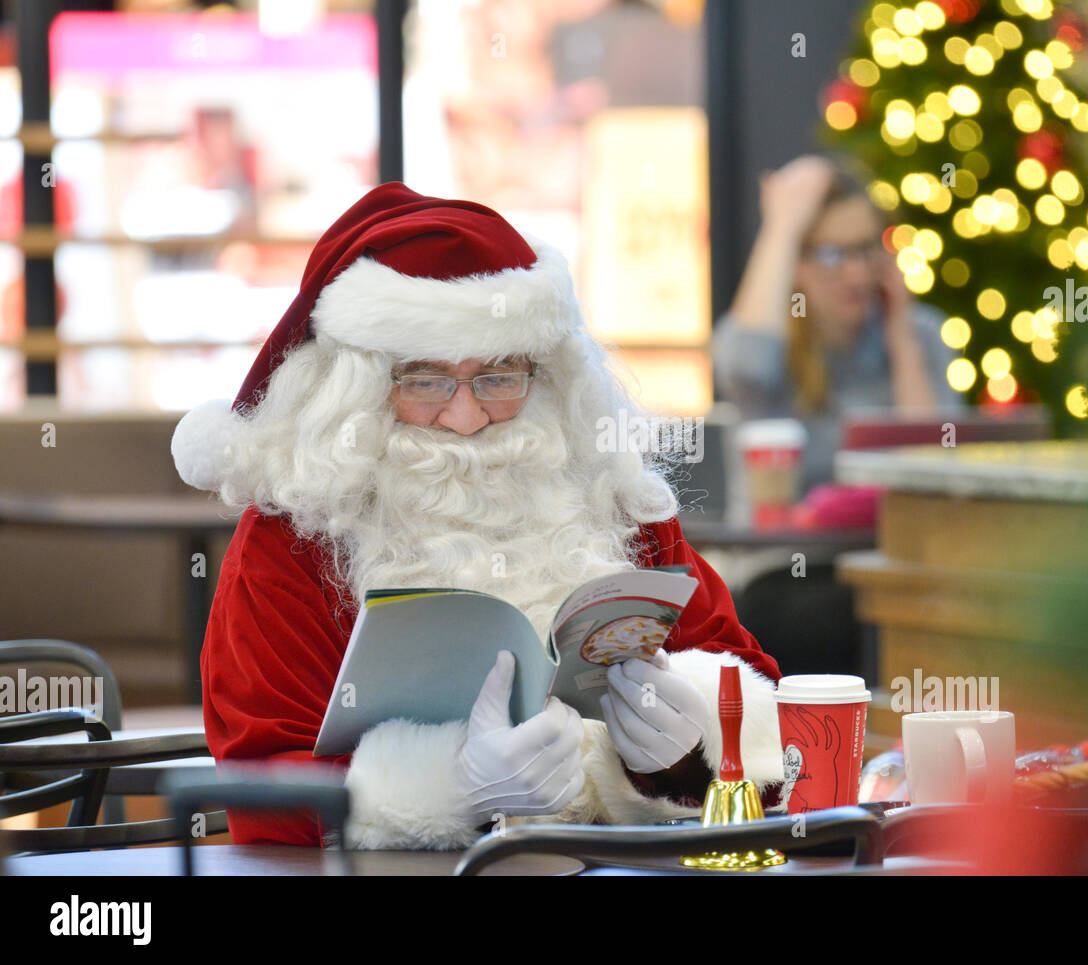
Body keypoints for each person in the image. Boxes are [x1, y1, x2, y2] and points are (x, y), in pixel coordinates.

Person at [171, 183, 783, 849]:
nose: (465, 419)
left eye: (498, 376)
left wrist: (693, 745)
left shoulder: (612, 493)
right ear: (360, 385)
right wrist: (448, 789)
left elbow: (752, 690)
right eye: (425, 380)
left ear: (545, 372)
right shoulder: (292, 538)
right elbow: (258, 789)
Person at [713, 154, 965, 492]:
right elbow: (746, 370)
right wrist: (782, 227)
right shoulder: (771, 340)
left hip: (886, 542)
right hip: (782, 544)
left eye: (865, 248)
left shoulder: (921, 333)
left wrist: (902, 343)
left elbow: (935, 466)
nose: (857, 274)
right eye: (832, 255)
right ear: (795, 263)